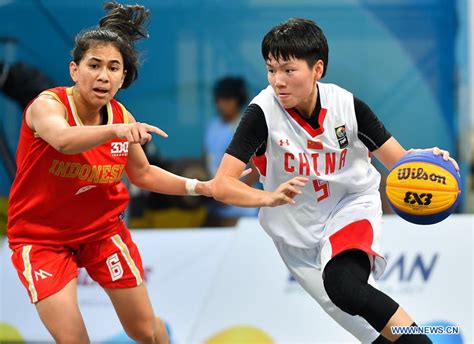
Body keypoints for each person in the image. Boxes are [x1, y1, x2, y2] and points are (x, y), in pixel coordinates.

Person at [212, 18, 459, 343]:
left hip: (349, 206)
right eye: (271, 70)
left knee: (344, 285)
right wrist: (267, 198)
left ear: (317, 69)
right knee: (375, 335)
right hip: (295, 235)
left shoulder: (346, 106)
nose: (278, 81)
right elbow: (221, 185)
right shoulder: (262, 114)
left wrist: (428, 160)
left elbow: (399, 162)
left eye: (288, 70)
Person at [6, 3, 213, 343]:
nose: (103, 75)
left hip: (102, 233)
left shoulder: (122, 115)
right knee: (73, 339)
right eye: (94, 65)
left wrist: (199, 186)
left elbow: (143, 174)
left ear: (122, 77)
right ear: (75, 70)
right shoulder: (48, 105)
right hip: (42, 238)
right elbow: (63, 140)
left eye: (113, 68)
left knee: (146, 332)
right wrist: (115, 131)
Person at [204, 76, 259, 226]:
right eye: (220, 100)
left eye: (228, 100)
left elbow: (256, 169)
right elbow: (206, 158)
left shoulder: (244, 126)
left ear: (238, 101)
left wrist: (233, 194)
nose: (222, 104)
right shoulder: (212, 126)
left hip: (243, 210)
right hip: (216, 206)